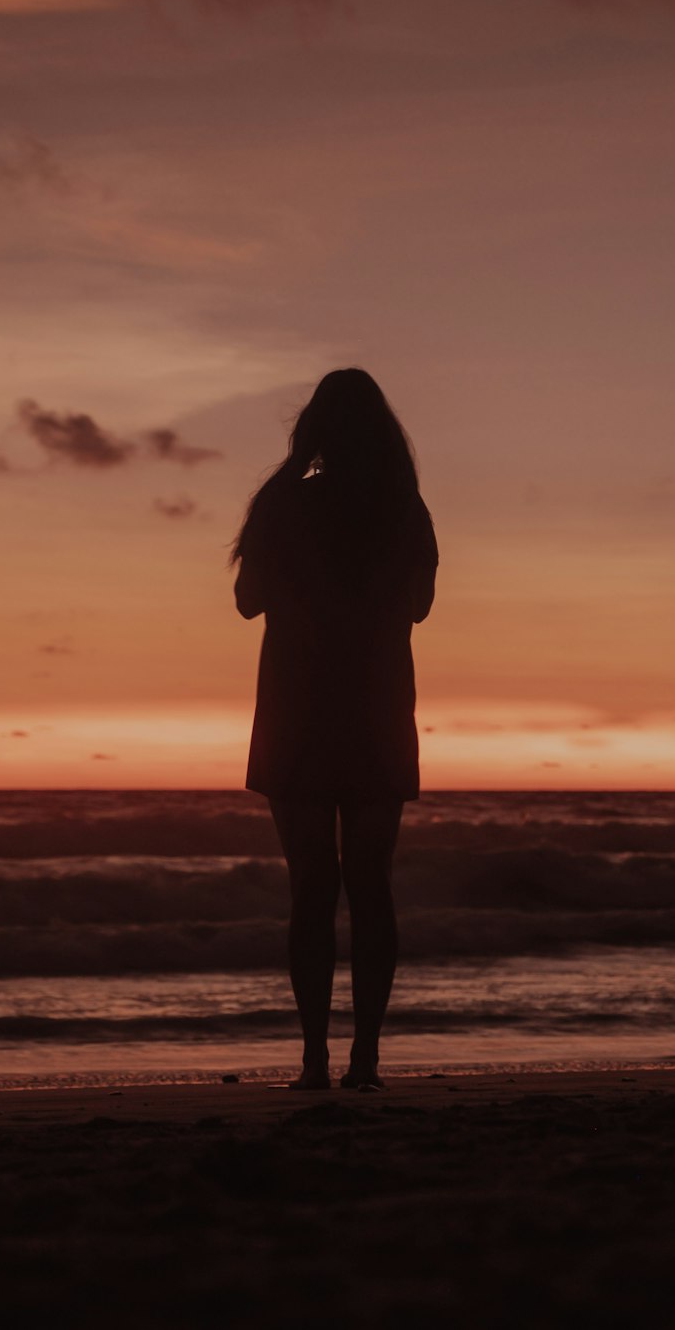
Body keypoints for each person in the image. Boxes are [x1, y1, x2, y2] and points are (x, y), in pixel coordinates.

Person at [232, 368, 438, 1090]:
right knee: (371, 888)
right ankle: (366, 1062)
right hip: (378, 712)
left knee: (311, 891)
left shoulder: (284, 505)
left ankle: (314, 1060)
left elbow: (246, 602)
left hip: (296, 714)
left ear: (313, 431)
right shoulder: (407, 511)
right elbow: (419, 608)